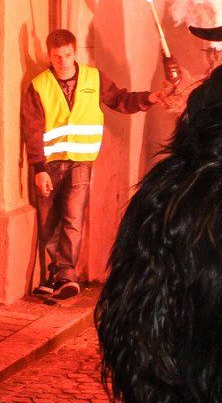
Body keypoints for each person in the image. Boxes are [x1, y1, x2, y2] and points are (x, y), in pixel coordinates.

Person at [19, 29, 171, 299]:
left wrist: (148, 98)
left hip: (81, 161)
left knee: (73, 218)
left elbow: (120, 100)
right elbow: (32, 130)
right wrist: (38, 168)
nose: (63, 61)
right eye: (57, 56)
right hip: (49, 164)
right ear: (49, 56)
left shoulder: (93, 77)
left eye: (67, 55)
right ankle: (55, 275)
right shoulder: (39, 86)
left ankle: (65, 274)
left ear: (75, 52)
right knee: (49, 223)